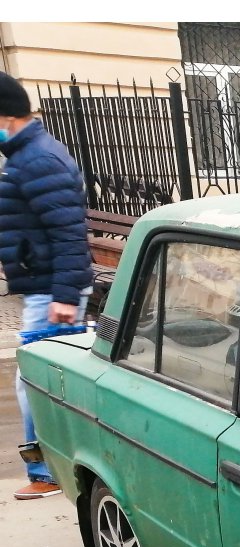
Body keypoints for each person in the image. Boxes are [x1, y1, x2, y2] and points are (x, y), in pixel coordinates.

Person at [0, 71, 93, 499]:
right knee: (47, 381)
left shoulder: (37, 159)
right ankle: (55, 465)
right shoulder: (27, 155)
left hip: (52, 292)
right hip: (46, 287)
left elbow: (69, 233)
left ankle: (46, 471)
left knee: (36, 383)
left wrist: (64, 297)